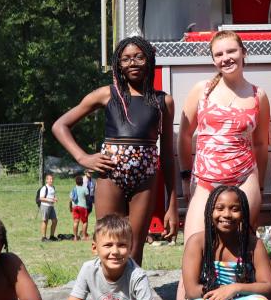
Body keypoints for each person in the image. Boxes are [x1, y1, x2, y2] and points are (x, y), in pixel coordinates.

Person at [169, 30, 270, 300]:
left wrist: (259, 180)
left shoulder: (258, 95)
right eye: (219, 54)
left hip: (244, 177)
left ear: (244, 53)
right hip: (207, 180)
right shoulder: (203, 90)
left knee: (242, 248)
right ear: (213, 58)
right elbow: (185, 135)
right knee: (194, 248)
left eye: (231, 51)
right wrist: (187, 174)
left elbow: (259, 143)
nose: (226, 58)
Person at [52, 36, 177, 263]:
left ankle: (130, 297)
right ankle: (107, 297)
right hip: (111, 175)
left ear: (149, 60)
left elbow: (168, 155)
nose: (133, 63)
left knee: (134, 245)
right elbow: (60, 125)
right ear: (118, 64)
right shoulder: (107, 94)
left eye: (139, 57)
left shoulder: (163, 101)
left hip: (146, 178)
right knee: (109, 242)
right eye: (126, 58)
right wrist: (83, 157)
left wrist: (173, 204)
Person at [37, 173, 58, 242]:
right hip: (45, 206)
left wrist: (55, 198)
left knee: (55, 221)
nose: (51, 180)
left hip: (51, 206)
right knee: (45, 221)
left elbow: (53, 195)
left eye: (52, 179)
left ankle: (52, 236)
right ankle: (44, 237)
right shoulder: (44, 188)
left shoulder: (53, 187)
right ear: (46, 180)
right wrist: (50, 200)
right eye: (50, 179)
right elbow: (41, 198)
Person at [69, 175, 91, 241]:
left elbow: (70, 200)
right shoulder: (85, 189)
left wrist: (70, 207)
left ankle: (75, 237)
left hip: (74, 207)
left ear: (76, 182)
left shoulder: (73, 189)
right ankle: (84, 236)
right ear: (82, 182)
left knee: (76, 221)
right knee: (84, 221)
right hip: (83, 207)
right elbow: (88, 198)